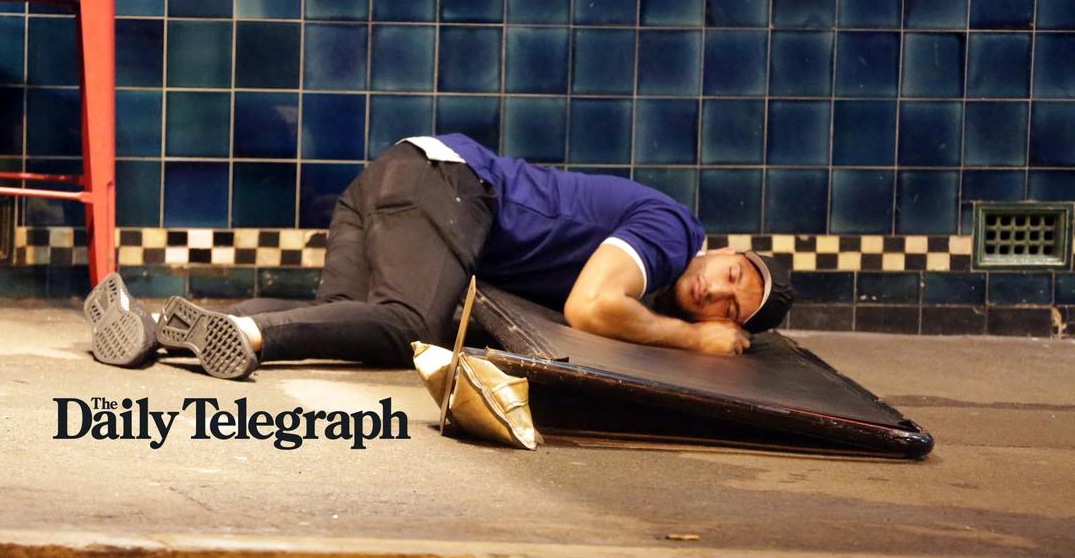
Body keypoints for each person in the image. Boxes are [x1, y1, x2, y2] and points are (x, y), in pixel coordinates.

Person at [83, 134, 793, 381]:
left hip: (400, 176)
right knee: (406, 326)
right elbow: (591, 307)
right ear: (725, 248)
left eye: (734, 308)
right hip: (449, 185)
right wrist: (695, 339)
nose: (716, 295)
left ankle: (155, 322)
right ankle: (247, 335)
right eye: (732, 276)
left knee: (347, 321)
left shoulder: (669, 270)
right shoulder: (674, 233)